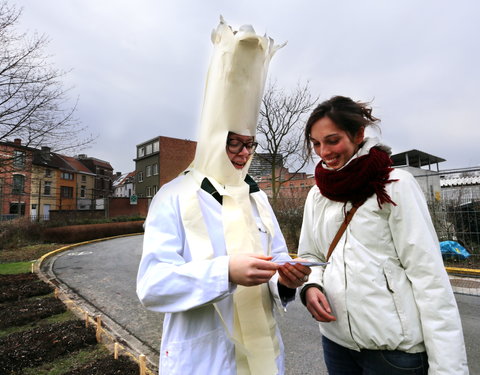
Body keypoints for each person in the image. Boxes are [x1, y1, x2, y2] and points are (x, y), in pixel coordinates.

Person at [136, 18, 310, 375]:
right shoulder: (173, 197)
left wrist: (285, 279)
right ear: (215, 141)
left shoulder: (256, 197)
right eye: (234, 143)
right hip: (204, 361)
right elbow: (153, 285)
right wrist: (225, 273)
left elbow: (276, 257)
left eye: (250, 145)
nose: (244, 154)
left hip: (263, 355)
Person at [298, 95, 468, 374]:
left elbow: (429, 278)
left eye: (332, 140)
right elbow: (311, 256)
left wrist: (448, 369)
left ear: (358, 134)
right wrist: (311, 286)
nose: (323, 152)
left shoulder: (395, 186)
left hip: (394, 353)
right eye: (316, 144)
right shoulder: (318, 194)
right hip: (337, 344)